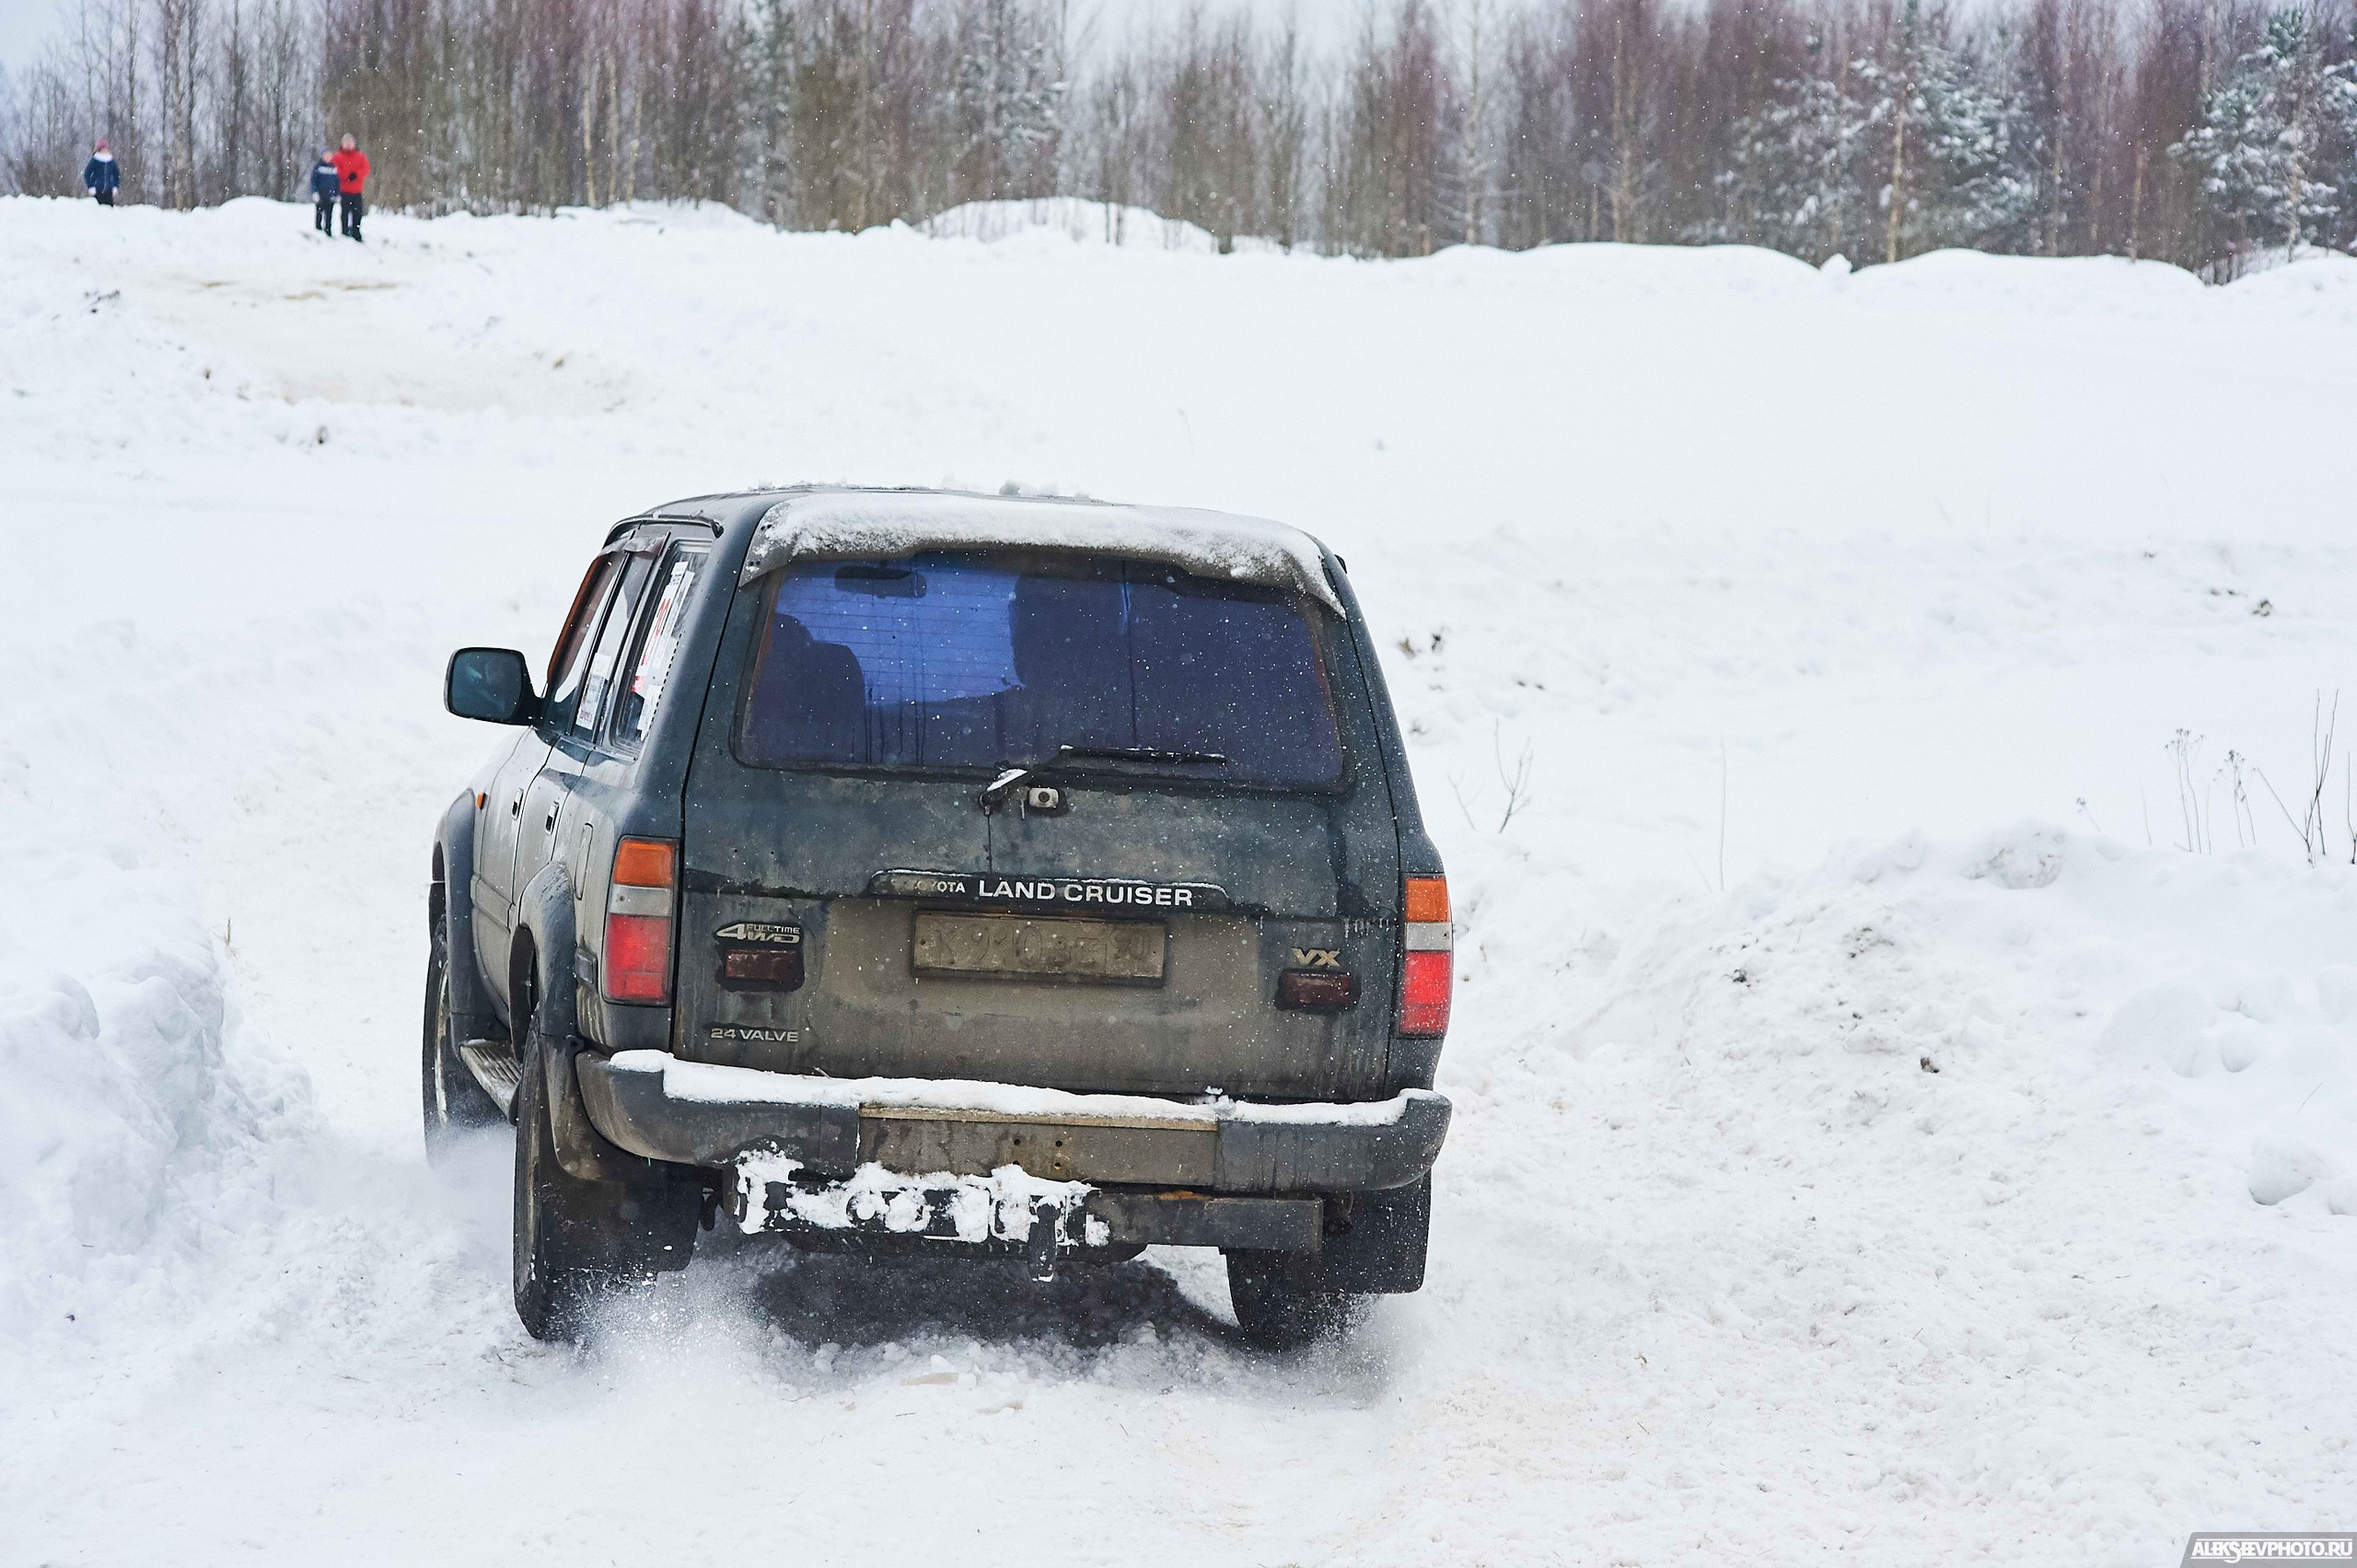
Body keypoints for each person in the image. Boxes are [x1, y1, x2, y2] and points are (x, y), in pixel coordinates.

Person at [331, 134, 370, 242]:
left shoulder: (360, 156)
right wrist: (347, 175)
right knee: (345, 213)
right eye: (346, 143)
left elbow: (366, 169)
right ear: (342, 144)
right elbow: (335, 170)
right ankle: (344, 231)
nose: (348, 145)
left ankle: (356, 232)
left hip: (357, 191)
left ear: (354, 144)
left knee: (357, 213)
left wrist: (356, 174)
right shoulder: (337, 156)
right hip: (344, 190)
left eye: (350, 143)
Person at [308, 146, 339, 235]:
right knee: (319, 213)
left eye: (329, 155)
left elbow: (337, 182)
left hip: (331, 196)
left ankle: (328, 230)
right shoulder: (318, 166)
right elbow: (313, 180)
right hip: (320, 195)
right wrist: (315, 192)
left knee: (329, 214)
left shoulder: (334, 168)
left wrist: (337, 194)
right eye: (326, 155)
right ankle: (318, 229)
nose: (328, 157)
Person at [83, 140, 120, 206]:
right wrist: (91, 186)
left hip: (109, 190)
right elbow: (87, 174)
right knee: (98, 211)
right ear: (101, 149)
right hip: (97, 190)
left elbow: (116, 174)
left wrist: (115, 186)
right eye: (105, 148)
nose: (107, 149)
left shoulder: (110, 161)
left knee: (109, 211)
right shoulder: (95, 160)